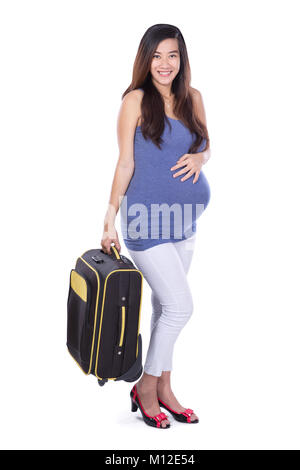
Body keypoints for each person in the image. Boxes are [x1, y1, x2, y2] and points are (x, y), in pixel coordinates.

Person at [101, 24, 211, 429]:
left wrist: (201, 158)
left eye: (173, 55)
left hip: (185, 222)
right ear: (145, 59)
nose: (165, 64)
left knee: (167, 306)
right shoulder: (135, 100)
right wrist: (110, 216)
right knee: (182, 307)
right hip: (145, 222)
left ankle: (165, 387)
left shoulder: (192, 98)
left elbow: (204, 144)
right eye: (157, 55)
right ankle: (147, 387)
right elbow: (125, 163)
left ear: (182, 59)